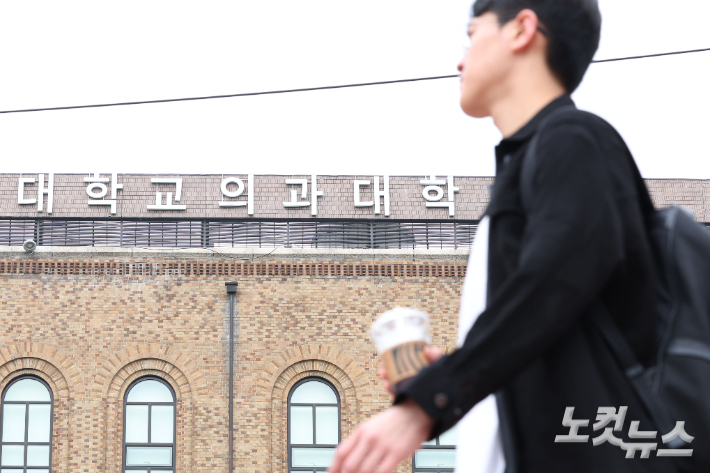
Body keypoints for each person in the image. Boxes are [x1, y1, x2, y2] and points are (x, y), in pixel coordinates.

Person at [329, 0, 681, 472]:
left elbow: (552, 284)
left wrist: (429, 400)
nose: (459, 61)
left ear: (522, 29)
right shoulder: (530, 164)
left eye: (471, 35)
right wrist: (461, 369)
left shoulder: (573, 140)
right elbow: (544, 324)